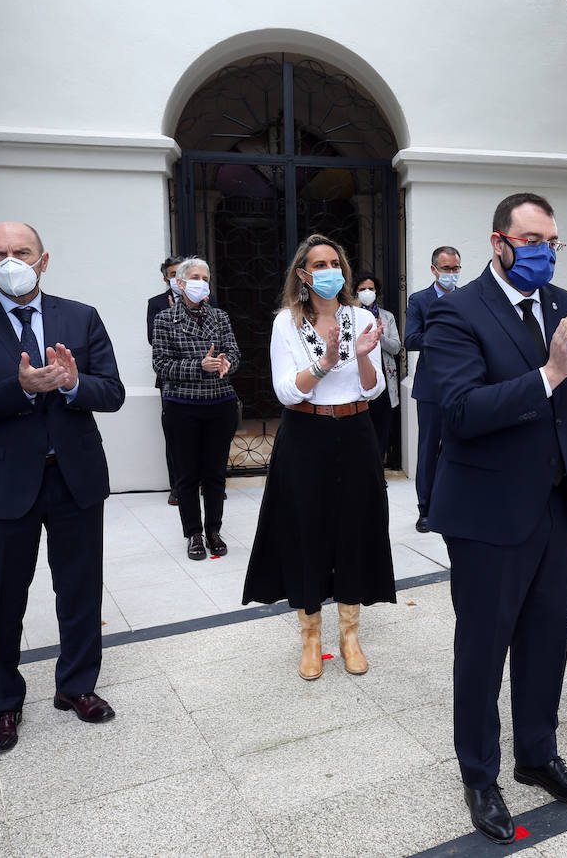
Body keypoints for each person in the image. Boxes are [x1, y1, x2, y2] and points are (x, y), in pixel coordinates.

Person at [423, 193, 567, 844]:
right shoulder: (457, 313)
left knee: (546, 643)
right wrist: (549, 373)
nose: (545, 252)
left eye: (552, 241)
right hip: (488, 513)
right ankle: (480, 774)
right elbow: (459, 411)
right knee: (483, 652)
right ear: (499, 242)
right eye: (532, 240)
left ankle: (537, 755)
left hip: (557, 508)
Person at [0, 221, 125, 755]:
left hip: (73, 476)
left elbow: (111, 392)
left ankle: (77, 685)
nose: (11, 262)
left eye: (22, 251)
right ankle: (2, 704)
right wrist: (17, 388)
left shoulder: (80, 316)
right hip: (0, 483)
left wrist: (74, 383)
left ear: (43, 260)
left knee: (80, 589)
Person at [241, 233, 394, 681]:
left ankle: (350, 633)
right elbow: (287, 391)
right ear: (303, 275)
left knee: (354, 528)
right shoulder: (285, 323)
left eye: (335, 264)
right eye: (319, 265)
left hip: (356, 430)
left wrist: (361, 357)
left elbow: (374, 388)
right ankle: (311, 636)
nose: (329, 271)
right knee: (306, 530)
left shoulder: (360, 316)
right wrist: (325, 362)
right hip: (306, 434)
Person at [151, 258, 241, 561]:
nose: (201, 282)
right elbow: (161, 365)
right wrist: (199, 366)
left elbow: (234, 352)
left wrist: (227, 363)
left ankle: (214, 530)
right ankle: (193, 533)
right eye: (195, 277)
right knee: (187, 475)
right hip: (182, 406)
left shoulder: (220, 316)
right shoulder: (165, 319)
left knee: (215, 474)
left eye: (205, 277)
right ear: (180, 283)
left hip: (220, 403)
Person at [148, 256, 216, 506]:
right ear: (168, 278)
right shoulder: (157, 304)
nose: (198, 282)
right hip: (174, 383)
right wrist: (174, 317)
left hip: (209, 383)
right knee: (176, 438)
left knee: (209, 438)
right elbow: (154, 340)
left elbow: (220, 340)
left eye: (203, 278)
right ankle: (178, 486)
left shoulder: (210, 302)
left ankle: (208, 484)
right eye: (172, 274)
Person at [405, 246, 461, 533]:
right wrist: (442, 336)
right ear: (434, 270)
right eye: (446, 269)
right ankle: (425, 509)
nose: (451, 274)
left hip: (462, 385)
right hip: (430, 388)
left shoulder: (467, 298)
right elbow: (410, 339)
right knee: (428, 449)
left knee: (458, 447)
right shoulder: (420, 300)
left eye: (455, 269)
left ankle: (451, 503)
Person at [355, 271, 402, 465]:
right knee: (362, 432)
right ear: (356, 292)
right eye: (362, 289)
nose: (367, 292)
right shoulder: (352, 316)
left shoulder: (387, 317)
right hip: (361, 381)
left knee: (382, 429)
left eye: (371, 288)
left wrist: (378, 334)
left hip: (385, 381)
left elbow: (396, 347)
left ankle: (378, 471)